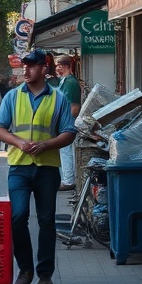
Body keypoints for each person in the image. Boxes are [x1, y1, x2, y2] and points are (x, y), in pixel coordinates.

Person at [0, 49, 76, 284]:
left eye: (31, 66)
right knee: (18, 216)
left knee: (46, 221)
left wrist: (46, 145)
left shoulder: (58, 98)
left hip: (47, 168)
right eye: (24, 66)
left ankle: (45, 274)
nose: (26, 70)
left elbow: (69, 132)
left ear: (44, 68)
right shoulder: (13, 96)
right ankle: (25, 269)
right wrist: (19, 142)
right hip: (19, 166)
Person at [54, 55, 82, 191]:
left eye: (58, 66)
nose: (56, 68)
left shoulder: (70, 83)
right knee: (64, 151)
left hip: (67, 122)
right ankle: (66, 178)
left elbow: (74, 108)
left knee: (66, 151)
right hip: (64, 121)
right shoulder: (64, 81)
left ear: (64, 66)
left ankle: (68, 180)